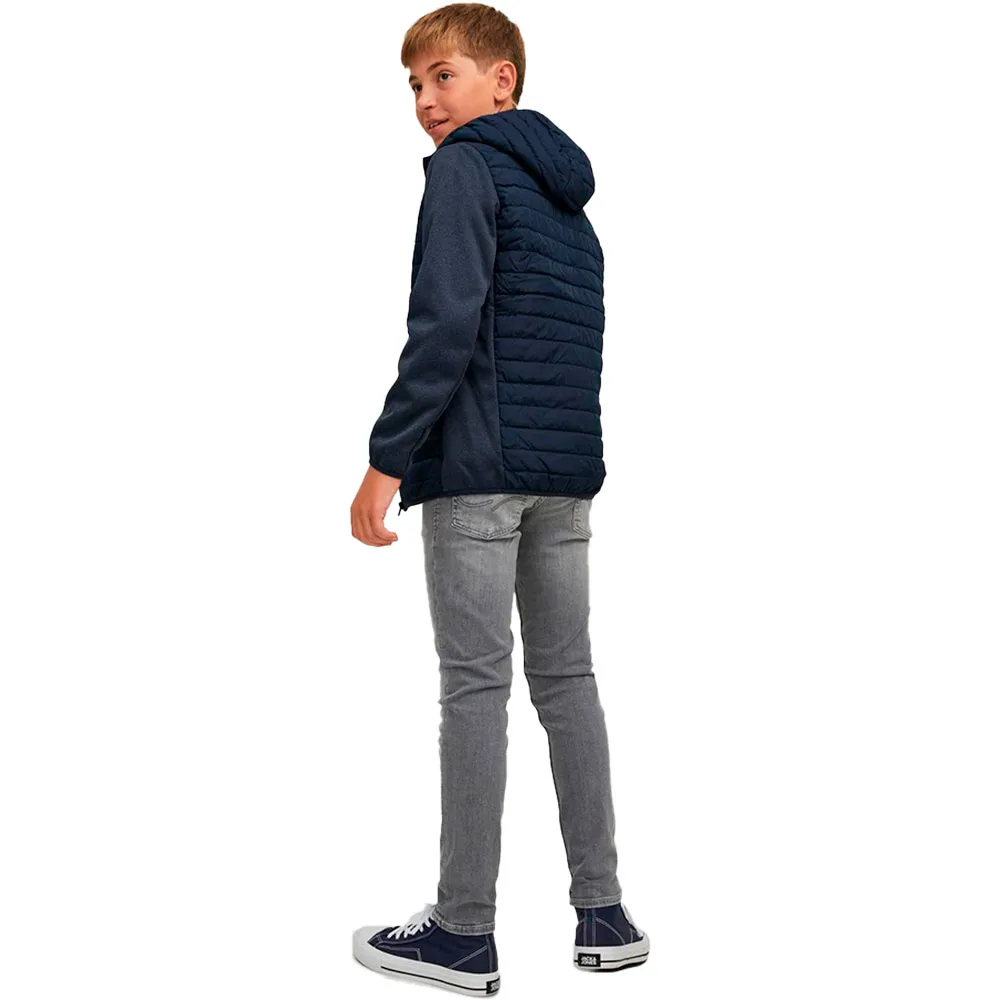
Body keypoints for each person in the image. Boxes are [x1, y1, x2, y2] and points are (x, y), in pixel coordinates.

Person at [350, 4, 649, 992]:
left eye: (443, 76)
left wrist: (387, 461)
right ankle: (603, 912)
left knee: (474, 688)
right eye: (414, 85)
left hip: (477, 475)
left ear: (501, 80)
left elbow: (443, 324)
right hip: (562, 480)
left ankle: (462, 930)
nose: (426, 101)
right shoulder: (567, 200)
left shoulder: (466, 169)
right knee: (568, 682)